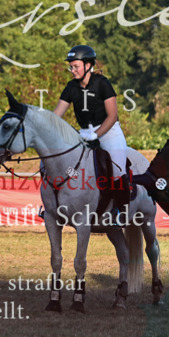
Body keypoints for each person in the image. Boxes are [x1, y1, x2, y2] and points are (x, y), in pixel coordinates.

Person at [53, 45, 130, 225]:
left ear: (88, 65)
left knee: (118, 169)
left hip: (108, 131)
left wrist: (96, 135)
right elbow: (56, 115)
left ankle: (121, 211)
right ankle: (53, 206)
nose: (72, 70)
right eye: (70, 67)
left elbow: (111, 116)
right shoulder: (71, 87)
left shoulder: (103, 84)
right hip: (83, 133)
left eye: (75, 66)